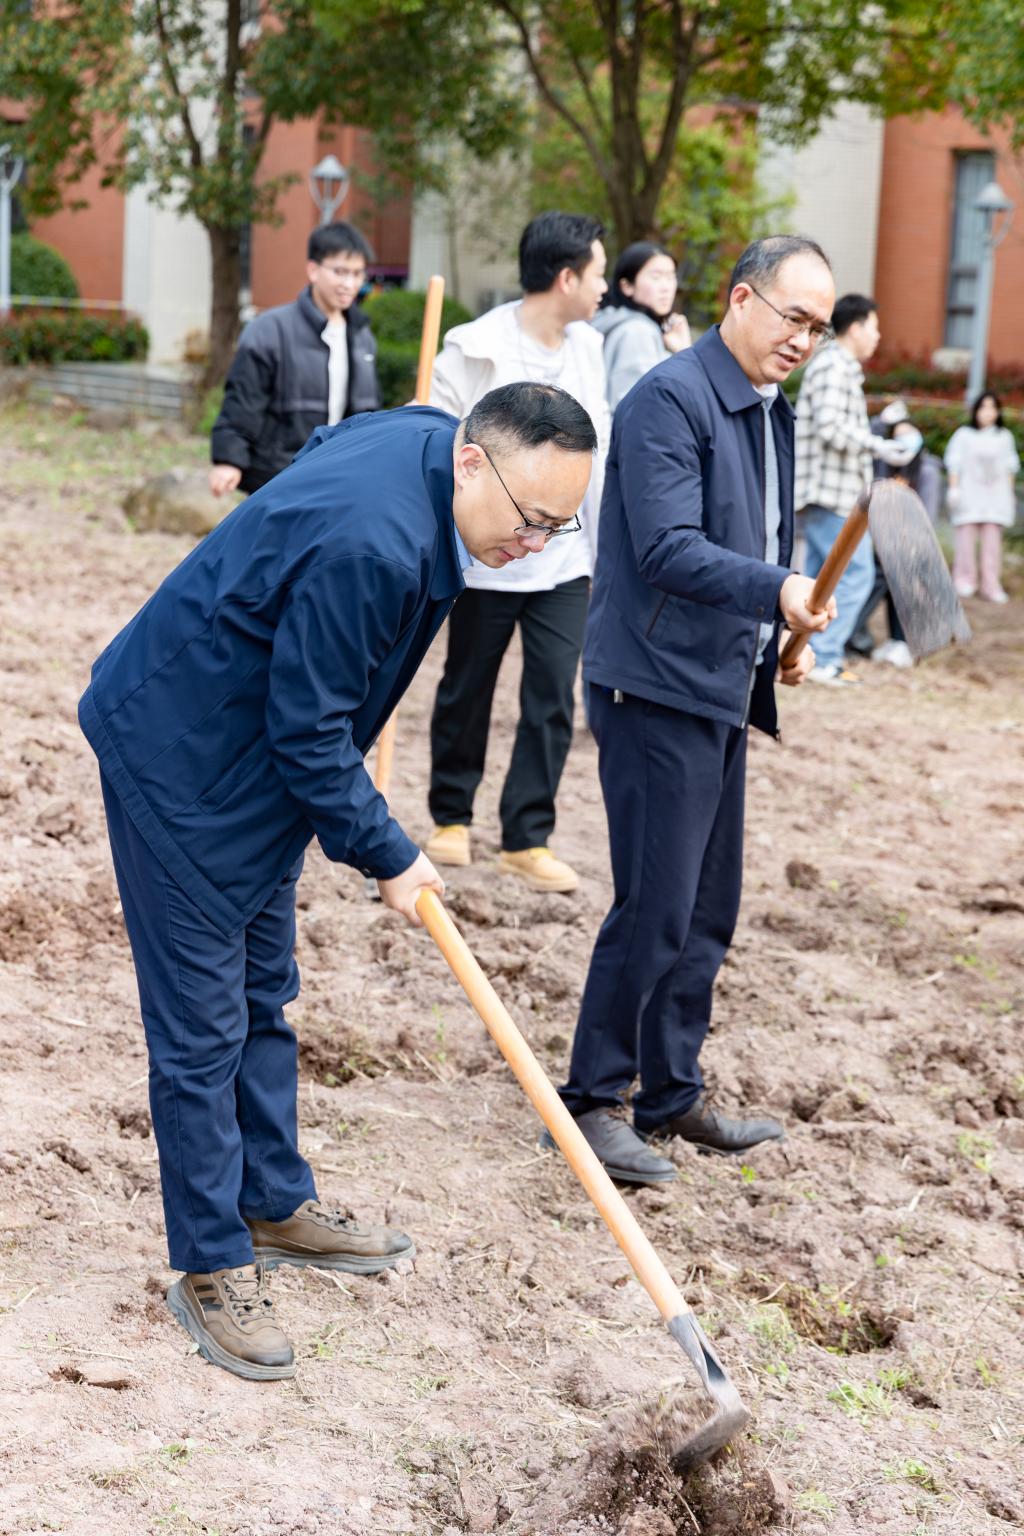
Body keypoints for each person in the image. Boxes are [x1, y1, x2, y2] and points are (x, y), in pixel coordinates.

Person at [79, 384, 597, 1380]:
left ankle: (271, 1202)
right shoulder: (376, 550)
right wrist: (389, 852)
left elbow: (330, 442)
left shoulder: (424, 436)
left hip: (253, 767)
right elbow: (309, 736)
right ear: (473, 462)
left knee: (262, 995)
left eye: (559, 525)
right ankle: (211, 1261)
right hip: (180, 758)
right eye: (529, 519)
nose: (536, 544)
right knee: (201, 1029)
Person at [547, 235, 838, 1187]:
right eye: (793, 317)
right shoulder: (669, 399)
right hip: (653, 682)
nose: (803, 340)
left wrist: (778, 630)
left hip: (719, 683)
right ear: (742, 300)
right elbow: (667, 548)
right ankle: (592, 1099)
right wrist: (779, 591)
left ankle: (670, 1092)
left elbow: (759, 542)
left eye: (819, 328)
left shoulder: (769, 410)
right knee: (656, 905)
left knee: (708, 908)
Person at [424, 211, 611, 894]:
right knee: (467, 686)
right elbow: (439, 442)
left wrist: (601, 551)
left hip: (563, 559)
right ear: (566, 278)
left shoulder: (589, 349)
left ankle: (526, 837)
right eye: (598, 273)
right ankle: (451, 817)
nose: (605, 287)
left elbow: (599, 460)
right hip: (487, 557)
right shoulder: (474, 348)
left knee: (552, 695)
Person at [794, 293, 919, 686]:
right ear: (856, 327)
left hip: (829, 492)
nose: (878, 336)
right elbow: (832, 428)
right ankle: (824, 656)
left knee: (818, 583)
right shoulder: (834, 366)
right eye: (874, 327)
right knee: (856, 575)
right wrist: (882, 445)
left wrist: (878, 430)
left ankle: (801, 654)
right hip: (831, 494)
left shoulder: (837, 366)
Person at [209, 221, 381, 498]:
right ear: (313, 270)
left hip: (338, 478)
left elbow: (367, 411)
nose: (349, 284)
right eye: (340, 272)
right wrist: (229, 459)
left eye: (357, 273)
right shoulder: (269, 330)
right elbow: (242, 403)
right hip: (278, 478)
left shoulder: (362, 337)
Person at [848, 405, 928, 668]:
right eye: (899, 432)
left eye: (908, 430)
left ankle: (898, 641)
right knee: (883, 579)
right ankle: (879, 639)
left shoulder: (922, 467)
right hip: (882, 530)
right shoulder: (883, 461)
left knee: (898, 580)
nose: (905, 437)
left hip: (908, 533)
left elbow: (925, 505)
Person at [591, 241, 691, 412]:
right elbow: (639, 407)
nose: (666, 287)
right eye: (656, 277)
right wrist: (686, 354)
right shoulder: (638, 331)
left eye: (671, 277)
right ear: (627, 286)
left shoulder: (619, 321)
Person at [944, 392, 1020, 603]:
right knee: (965, 541)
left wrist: (1009, 493)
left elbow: (1010, 467)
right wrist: (954, 488)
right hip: (969, 494)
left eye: (992, 408)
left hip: (995, 497)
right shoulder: (964, 435)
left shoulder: (1004, 436)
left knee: (992, 544)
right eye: (983, 407)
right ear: (975, 411)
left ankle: (991, 585)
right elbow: (954, 463)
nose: (988, 412)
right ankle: (964, 580)